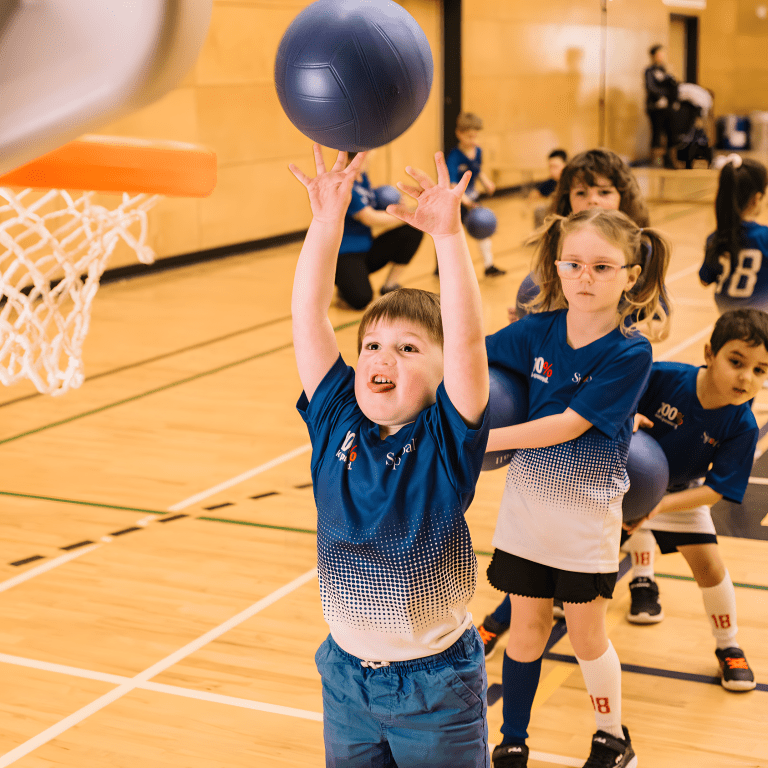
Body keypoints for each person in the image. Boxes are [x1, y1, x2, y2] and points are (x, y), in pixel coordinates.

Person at [289, 144, 491, 767]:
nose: (381, 357)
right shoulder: (335, 421)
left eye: (408, 349)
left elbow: (466, 338)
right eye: (373, 345)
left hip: (435, 687)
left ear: (440, 377)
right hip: (345, 677)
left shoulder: (445, 439)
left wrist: (449, 238)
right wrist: (326, 223)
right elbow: (308, 313)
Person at [484, 207, 670, 768]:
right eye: (574, 264)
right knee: (526, 630)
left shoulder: (630, 351)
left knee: (588, 637)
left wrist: (485, 438)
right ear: (558, 269)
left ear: (630, 276)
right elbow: (471, 357)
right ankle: (512, 739)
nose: (585, 276)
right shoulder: (535, 331)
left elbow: (567, 424)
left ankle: (613, 737)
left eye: (602, 266)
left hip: (586, 517)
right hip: (526, 512)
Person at [620, 308, 767, 692]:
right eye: (736, 362)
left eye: (760, 370)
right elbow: (614, 401)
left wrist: (657, 508)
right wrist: (628, 418)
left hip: (680, 495)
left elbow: (717, 489)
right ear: (709, 354)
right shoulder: (663, 377)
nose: (745, 377)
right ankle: (510, 618)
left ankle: (728, 646)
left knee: (711, 568)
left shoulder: (742, 424)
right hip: (620, 487)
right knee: (580, 564)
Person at [508, 148, 650, 323]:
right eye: (581, 193)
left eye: (604, 192)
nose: (593, 200)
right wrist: (527, 328)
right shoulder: (558, 244)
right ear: (567, 200)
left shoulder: (643, 249)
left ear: (623, 196)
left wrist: (606, 332)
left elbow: (660, 326)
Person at [335, 151, 423, 310]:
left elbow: (372, 204)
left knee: (412, 231)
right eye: (363, 155)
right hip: (344, 255)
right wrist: (405, 216)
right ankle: (344, 283)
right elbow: (369, 217)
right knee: (361, 300)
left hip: (367, 249)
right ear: (348, 159)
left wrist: (397, 205)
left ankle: (389, 286)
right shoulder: (345, 184)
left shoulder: (363, 178)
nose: (368, 157)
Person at [699, 155, 768, 313]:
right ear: (756, 199)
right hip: (760, 322)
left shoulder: (715, 238)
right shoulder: (764, 237)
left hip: (726, 319)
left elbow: (704, 280)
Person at [445, 111, 505, 277]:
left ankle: (489, 265)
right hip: (457, 201)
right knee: (455, 237)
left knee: (483, 228)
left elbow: (477, 171)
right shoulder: (454, 157)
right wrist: (463, 200)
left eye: (476, 136)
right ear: (459, 134)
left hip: (472, 198)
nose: (473, 141)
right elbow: (453, 183)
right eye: (470, 137)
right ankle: (448, 270)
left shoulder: (477, 151)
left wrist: (486, 182)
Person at [644, 44, 678, 168]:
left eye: (662, 53)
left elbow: (673, 87)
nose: (661, 56)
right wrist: (661, 96)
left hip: (667, 107)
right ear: (653, 56)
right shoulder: (649, 71)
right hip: (655, 107)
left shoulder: (665, 70)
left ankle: (670, 161)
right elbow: (651, 88)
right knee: (657, 135)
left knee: (671, 133)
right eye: (659, 53)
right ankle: (657, 162)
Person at [531, 149, 568, 228]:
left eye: (555, 167)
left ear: (566, 165)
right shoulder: (551, 182)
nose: (552, 171)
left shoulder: (571, 183)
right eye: (550, 167)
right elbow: (534, 195)